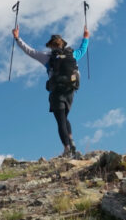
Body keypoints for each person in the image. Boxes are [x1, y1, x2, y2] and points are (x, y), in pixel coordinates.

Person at [12, 25, 89, 158]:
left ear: (51, 46)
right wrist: (86, 37)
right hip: (70, 91)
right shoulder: (73, 54)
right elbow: (83, 48)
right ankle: (71, 141)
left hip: (56, 92)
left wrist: (18, 38)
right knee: (65, 118)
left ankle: (67, 148)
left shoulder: (47, 57)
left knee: (61, 121)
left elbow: (30, 51)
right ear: (62, 44)